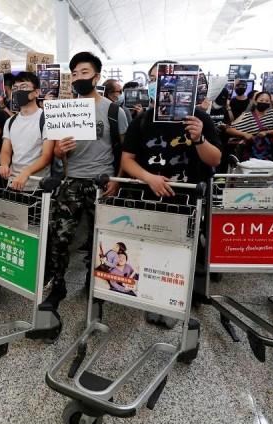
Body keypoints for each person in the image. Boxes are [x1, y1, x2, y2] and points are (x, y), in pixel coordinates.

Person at [121, 60, 221, 327]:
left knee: (182, 253)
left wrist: (199, 138)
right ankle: (154, 298)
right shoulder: (142, 120)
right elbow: (127, 159)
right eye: (153, 78)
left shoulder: (200, 118)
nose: (158, 83)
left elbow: (214, 159)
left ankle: (176, 303)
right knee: (151, 250)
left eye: (164, 78)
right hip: (149, 200)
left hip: (188, 202)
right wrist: (148, 178)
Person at [41, 51, 128, 313]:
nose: (79, 78)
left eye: (85, 73)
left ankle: (96, 284)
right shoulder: (65, 109)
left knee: (99, 239)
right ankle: (58, 285)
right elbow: (55, 151)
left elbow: (125, 151)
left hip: (101, 182)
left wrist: (118, 180)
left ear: (97, 76)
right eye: (75, 74)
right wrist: (59, 151)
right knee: (59, 237)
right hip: (71, 182)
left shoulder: (113, 111)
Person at [0, 72, 54, 191]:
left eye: (24, 87)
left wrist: (26, 173)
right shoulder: (10, 121)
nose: (18, 91)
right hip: (12, 183)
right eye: (15, 88)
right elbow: (6, 151)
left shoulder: (47, 119)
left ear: (36, 92)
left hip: (37, 187)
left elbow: (46, 156)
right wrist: (4, 165)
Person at [226, 91, 273, 160]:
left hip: (270, 153)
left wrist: (267, 132)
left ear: (270, 103)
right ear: (255, 102)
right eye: (261, 100)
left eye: (267, 101)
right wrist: (244, 134)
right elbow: (230, 129)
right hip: (251, 154)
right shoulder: (247, 116)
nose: (264, 102)